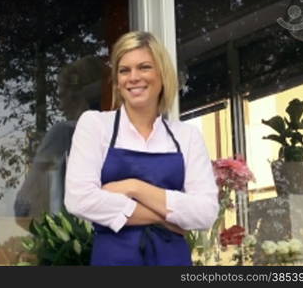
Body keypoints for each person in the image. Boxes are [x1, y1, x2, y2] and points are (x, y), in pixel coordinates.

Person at [64, 31, 219, 266]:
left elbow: (205, 212)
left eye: (144, 67)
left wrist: (133, 187)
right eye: (124, 70)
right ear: (117, 81)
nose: (133, 77)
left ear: (162, 74)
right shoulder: (95, 125)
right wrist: (166, 218)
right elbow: (79, 199)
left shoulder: (186, 136)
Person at [14, 56, 106, 228]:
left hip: (76, 244)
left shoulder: (65, 133)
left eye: (62, 96)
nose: (60, 107)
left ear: (76, 96)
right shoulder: (124, 136)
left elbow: (23, 208)